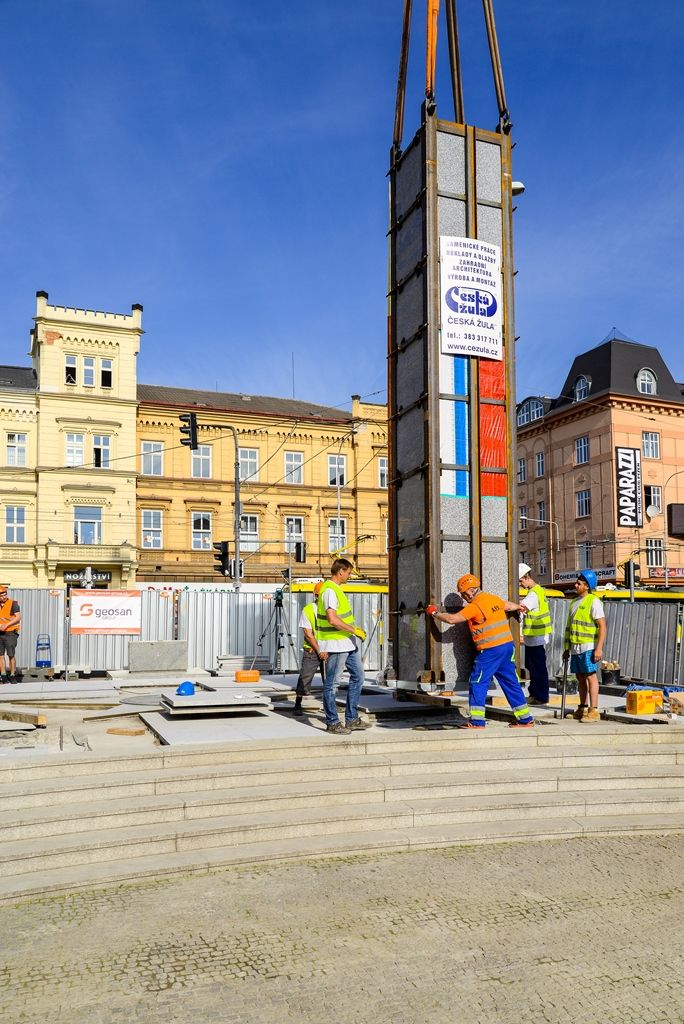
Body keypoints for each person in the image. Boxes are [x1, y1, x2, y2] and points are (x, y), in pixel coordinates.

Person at [426, 573, 534, 729]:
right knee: (510, 682)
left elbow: (452, 619)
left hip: (490, 650)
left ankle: (477, 721)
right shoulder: (493, 599)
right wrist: (518, 606)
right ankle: (525, 719)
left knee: (477, 681)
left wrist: (434, 612)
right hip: (507, 647)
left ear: (470, 590)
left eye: (463, 594)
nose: (463, 597)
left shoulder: (475, 606)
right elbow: (508, 606)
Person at [316, 558, 369, 734]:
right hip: (337, 643)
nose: (349, 575)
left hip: (347, 642)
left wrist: (353, 633)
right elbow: (332, 619)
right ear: (340, 571)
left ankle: (351, 719)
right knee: (332, 684)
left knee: (358, 677)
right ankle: (332, 722)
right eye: (348, 572)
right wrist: (354, 629)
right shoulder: (330, 590)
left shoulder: (336, 589)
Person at [562, 570, 606, 723]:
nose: (576, 585)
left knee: (590, 676)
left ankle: (594, 711)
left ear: (587, 586)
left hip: (588, 646)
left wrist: (598, 648)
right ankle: (582, 708)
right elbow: (569, 627)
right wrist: (567, 649)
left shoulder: (593, 601)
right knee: (580, 677)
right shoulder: (574, 602)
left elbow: (602, 626)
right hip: (575, 646)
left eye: (579, 584)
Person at [519, 563, 552, 705]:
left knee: (537, 667)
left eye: (521, 581)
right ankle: (535, 693)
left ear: (526, 577)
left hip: (536, 637)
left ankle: (541, 696)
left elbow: (522, 608)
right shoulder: (537, 591)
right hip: (534, 637)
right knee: (533, 667)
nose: (520, 585)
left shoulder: (533, 594)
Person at [293, 581, 328, 717]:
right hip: (312, 651)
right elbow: (308, 634)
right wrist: (320, 650)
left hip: (328, 650)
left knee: (330, 681)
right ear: (316, 595)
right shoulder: (308, 610)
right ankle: (298, 703)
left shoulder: (330, 610)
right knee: (305, 677)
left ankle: (329, 706)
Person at [0, 583, 21, 684]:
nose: (4, 597)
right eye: (1, 595)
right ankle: (3, 676)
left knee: (11, 655)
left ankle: (12, 675)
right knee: (0, 655)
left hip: (10, 633)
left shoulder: (13, 603)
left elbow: (18, 617)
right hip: (0, 633)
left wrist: (6, 625)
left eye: (5, 594)